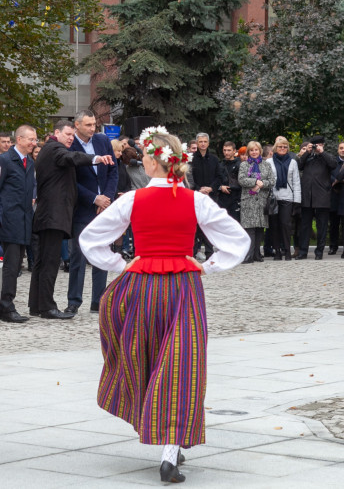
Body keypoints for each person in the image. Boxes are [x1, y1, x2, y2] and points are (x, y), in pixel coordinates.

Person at [78, 128, 248, 483]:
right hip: (183, 289)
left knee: (146, 359)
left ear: (155, 162)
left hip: (140, 288)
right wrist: (209, 264)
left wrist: (120, 264)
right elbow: (237, 240)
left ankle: (166, 440)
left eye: (145, 157)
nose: (141, 160)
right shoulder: (195, 201)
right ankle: (170, 450)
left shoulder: (132, 200)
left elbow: (90, 239)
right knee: (180, 365)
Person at [31, 121, 113, 320]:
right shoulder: (54, 149)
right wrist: (96, 158)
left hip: (48, 215)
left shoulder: (49, 149)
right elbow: (71, 157)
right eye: (67, 134)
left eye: (71, 135)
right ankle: (48, 307)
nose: (70, 138)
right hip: (53, 215)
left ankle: (36, 304)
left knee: (42, 262)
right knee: (49, 262)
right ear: (56, 132)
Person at [66, 110, 118, 314]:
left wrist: (106, 198)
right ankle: (74, 301)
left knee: (102, 253)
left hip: (104, 207)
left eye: (94, 124)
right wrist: (93, 198)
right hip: (82, 207)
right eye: (88, 125)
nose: (92, 128)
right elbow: (71, 179)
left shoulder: (102, 141)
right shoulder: (71, 145)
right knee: (78, 255)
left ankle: (99, 300)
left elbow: (113, 171)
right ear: (77, 125)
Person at [0, 124, 38, 322]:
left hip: (24, 221)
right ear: (19, 139)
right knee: (10, 267)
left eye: (35, 139)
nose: (34, 143)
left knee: (16, 266)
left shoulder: (29, 162)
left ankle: (8, 303)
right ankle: (5, 307)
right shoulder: (4, 160)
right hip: (9, 222)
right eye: (30, 139)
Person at [296, 136, 337, 260]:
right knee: (305, 226)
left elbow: (333, 164)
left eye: (319, 145)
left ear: (323, 145)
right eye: (314, 145)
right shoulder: (308, 157)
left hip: (322, 197)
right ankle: (303, 252)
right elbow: (299, 165)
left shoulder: (327, 157)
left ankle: (319, 252)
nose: (316, 147)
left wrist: (322, 152)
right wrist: (307, 152)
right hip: (307, 197)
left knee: (322, 226)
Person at [189, 133, 227, 259]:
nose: (203, 144)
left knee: (209, 223)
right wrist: (198, 189)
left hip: (211, 195)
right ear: (197, 143)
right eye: (200, 142)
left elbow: (219, 176)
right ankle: (193, 251)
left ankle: (210, 252)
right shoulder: (191, 159)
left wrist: (211, 188)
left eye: (205, 141)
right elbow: (189, 178)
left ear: (208, 143)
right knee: (195, 224)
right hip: (196, 195)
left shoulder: (215, 159)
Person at [238, 141, 274, 263]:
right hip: (248, 200)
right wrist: (255, 182)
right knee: (249, 228)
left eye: (256, 150)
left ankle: (257, 254)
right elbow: (241, 180)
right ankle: (249, 255)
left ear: (260, 151)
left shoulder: (266, 165)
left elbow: (272, 181)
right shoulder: (244, 165)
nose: (254, 152)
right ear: (248, 152)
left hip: (261, 200)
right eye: (251, 150)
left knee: (259, 228)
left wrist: (261, 184)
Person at [269, 137, 300, 260]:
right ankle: (277, 251)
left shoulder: (293, 162)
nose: (282, 149)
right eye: (280, 147)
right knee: (274, 225)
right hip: (274, 197)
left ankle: (287, 250)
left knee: (286, 225)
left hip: (288, 197)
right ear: (275, 148)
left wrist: (297, 201)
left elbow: (296, 182)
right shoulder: (269, 162)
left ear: (288, 149)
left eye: (285, 147)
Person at [329, 141, 344, 254]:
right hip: (334, 195)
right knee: (333, 223)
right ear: (338, 150)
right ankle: (333, 245)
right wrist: (336, 180)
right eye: (341, 148)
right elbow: (329, 174)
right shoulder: (333, 162)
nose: (343, 150)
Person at [218, 141, 242, 223]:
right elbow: (215, 180)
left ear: (234, 151)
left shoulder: (240, 165)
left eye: (229, 150)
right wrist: (220, 187)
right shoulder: (220, 165)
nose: (226, 152)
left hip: (236, 199)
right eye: (224, 150)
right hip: (222, 200)